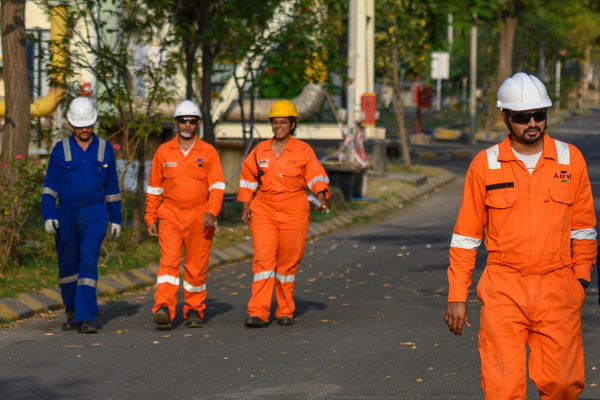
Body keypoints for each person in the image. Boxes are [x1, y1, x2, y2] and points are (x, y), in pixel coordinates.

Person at [445, 73, 597, 399]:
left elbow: (584, 229)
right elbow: (465, 238)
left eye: (539, 115)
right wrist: (457, 296)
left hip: (558, 287)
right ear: (504, 117)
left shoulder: (571, 160)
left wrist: (580, 279)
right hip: (504, 288)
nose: (532, 123)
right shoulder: (484, 165)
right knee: (501, 388)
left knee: (564, 384)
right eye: (522, 117)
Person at [238, 100, 330, 328]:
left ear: (292, 124)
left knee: (287, 264)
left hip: (294, 210)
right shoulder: (260, 150)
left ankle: (285, 310)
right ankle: (258, 312)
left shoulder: (303, 150)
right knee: (263, 260)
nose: (278, 126)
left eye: (283, 122)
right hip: (264, 210)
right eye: (275, 122)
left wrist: (321, 196)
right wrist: (245, 204)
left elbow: (316, 176)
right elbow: (248, 177)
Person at [42, 97, 122, 334]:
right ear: (71, 124)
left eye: (88, 124)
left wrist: (116, 218)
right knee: (68, 266)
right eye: (80, 125)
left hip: (95, 212)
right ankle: (72, 311)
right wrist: (48, 214)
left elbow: (112, 188)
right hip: (66, 212)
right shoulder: (60, 149)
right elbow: (49, 187)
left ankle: (86, 317)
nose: (85, 129)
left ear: (93, 122)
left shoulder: (106, 149)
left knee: (88, 262)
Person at [145, 100, 225, 330]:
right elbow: (153, 189)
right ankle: (163, 309)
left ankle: (193, 310)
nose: (187, 125)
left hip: (200, 216)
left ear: (198, 123)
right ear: (176, 123)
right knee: (168, 264)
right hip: (170, 215)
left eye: (192, 121)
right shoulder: (163, 151)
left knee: (195, 266)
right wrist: (150, 217)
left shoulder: (208, 152)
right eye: (183, 120)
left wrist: (212, 211)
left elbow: (217, 187)